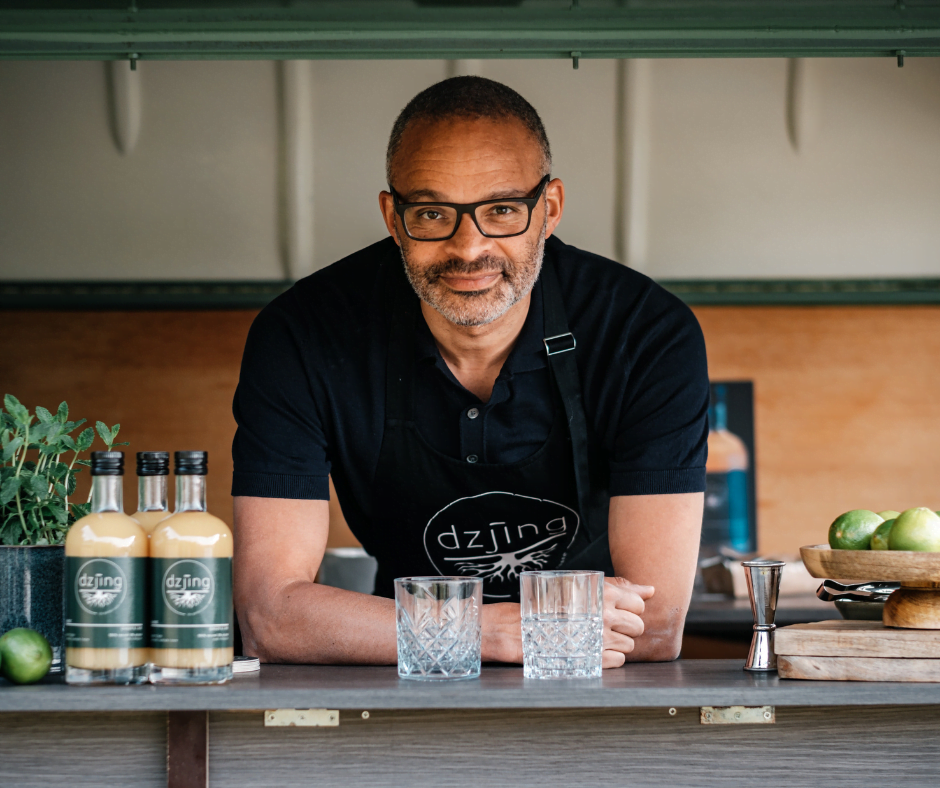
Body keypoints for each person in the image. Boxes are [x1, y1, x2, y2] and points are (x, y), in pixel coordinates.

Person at [232, 76, 708, 667]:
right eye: (432, 214)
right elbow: (269, 617)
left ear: (549, 209)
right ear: (392, 215)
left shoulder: (646, 333)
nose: (468, 246)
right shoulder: (302, 334)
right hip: (406, 683)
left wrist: (451, 628)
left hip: (593, 690)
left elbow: (654, 628)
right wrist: (487, 631)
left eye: (502, 210)